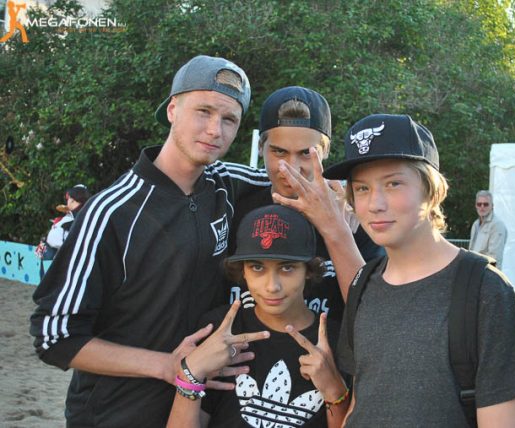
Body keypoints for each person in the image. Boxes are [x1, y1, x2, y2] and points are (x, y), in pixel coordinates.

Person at [30, 55, 271, 427]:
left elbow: (292, 180)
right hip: (114, 414)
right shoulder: (111, 211)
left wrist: (339, 200)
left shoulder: (226, 183)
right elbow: (53, 335)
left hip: (192, 412)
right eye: (203, 111)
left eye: (229, 119)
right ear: (172, 110)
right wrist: (167, 366)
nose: (215, 130)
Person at [321, 114, 515, 427]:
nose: (375, 204)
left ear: (431, 190)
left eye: (393, 184)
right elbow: (361, 404)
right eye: (363, 188)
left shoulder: (485, 290)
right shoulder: (362, 284)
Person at [167, 204, 348, 427]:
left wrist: (335, 391)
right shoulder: (220, 330)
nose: (272, 286)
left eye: (287, 268)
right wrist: (191, 374)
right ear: (242, 270)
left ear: (309, 270)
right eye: (257, 267)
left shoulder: (338, 342)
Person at [227, 86, 382, 322]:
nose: (291, 168)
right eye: (279, 152)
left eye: (306, 153)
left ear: (325, 150)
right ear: (260, 147)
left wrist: (336, 230)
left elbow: (375, 313)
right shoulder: (234, 199)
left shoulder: (354, 213)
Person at [469, 190, 508, 268]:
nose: (482, 207)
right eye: (479, 204)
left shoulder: (497, 225)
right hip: (475, 270)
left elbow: (494, 258)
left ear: (492, 206)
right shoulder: (475, 224)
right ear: (475, 206)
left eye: (486, 204)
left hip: (488, 272)